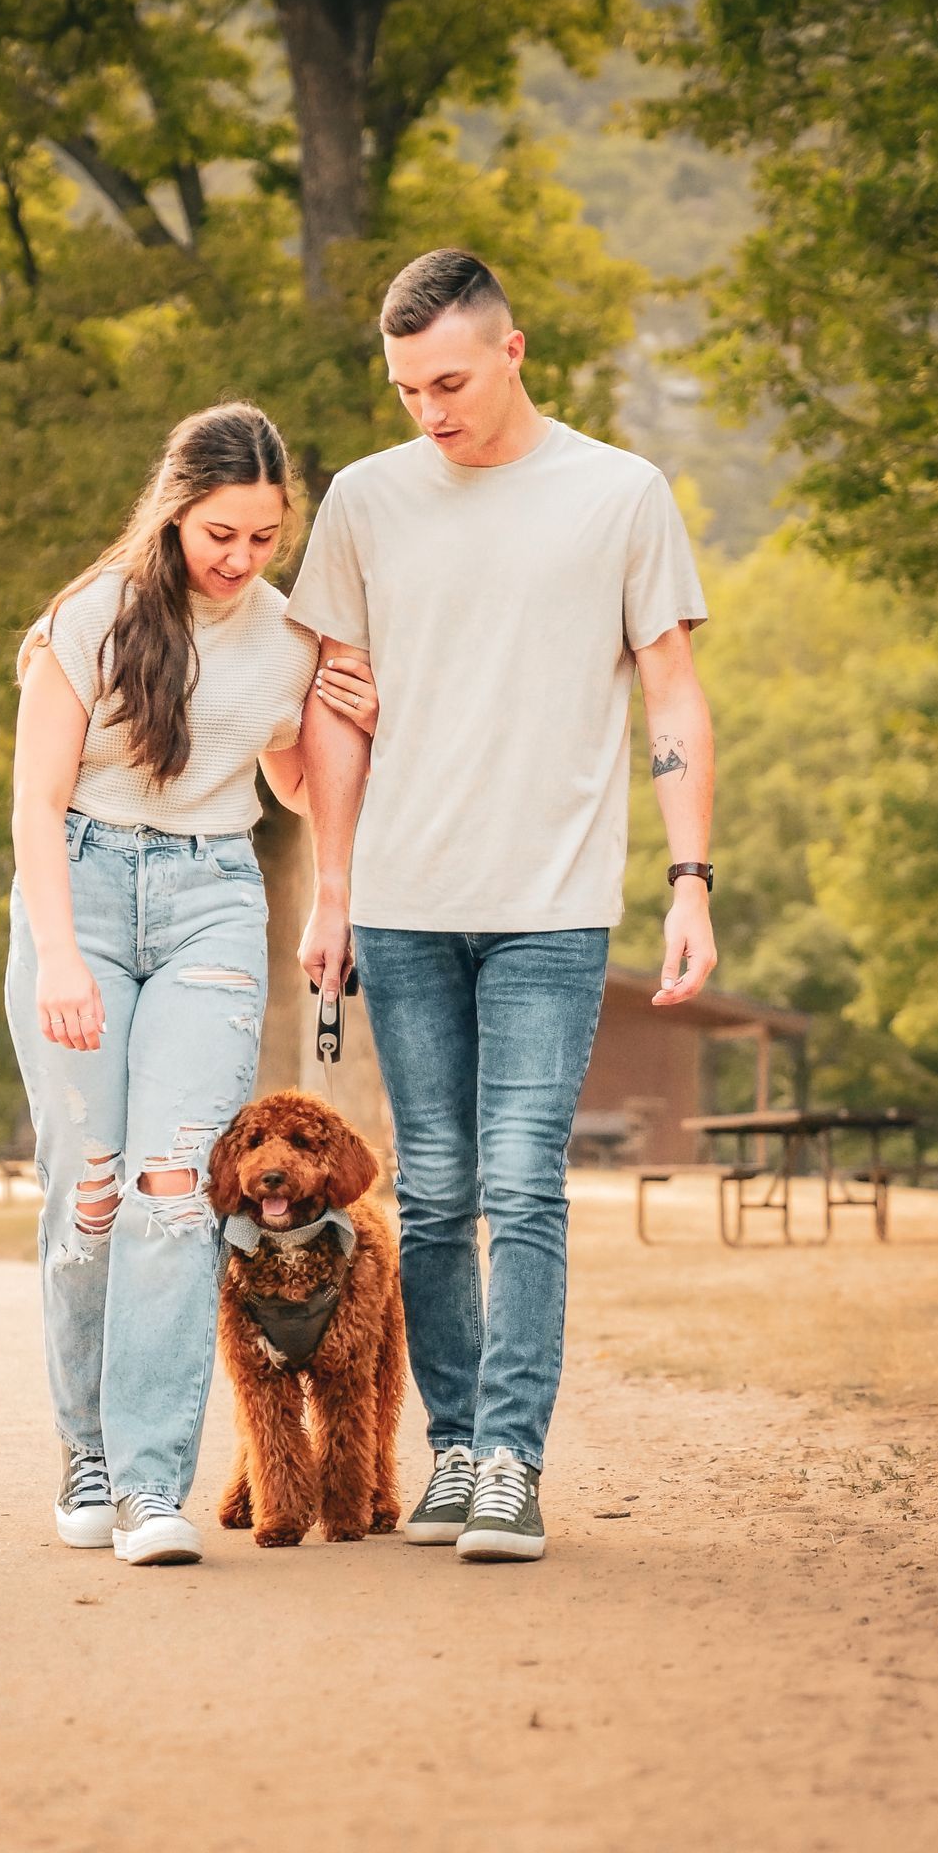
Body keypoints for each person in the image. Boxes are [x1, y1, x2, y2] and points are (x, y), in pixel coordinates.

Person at [289, 249, 717, 1562]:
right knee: (435, 1191)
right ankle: (460, 1448)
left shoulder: (619, 495)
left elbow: (675, 695)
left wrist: (689, 878)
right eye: (407, 387)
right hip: (407, 906)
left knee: (524, 1183)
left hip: (552, 905)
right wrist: (333, 888)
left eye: (451, 380)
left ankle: (517, 1465)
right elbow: (336, 711)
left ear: (514, 351)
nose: (429, 407)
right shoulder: (365, 503)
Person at [5, 401, 376, 1566]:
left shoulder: (283, 637)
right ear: (174, 513)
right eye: (222, 533)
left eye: (264, 537)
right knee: (96, 1194)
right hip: (82, 890)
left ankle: (152, 1489)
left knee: (178, 1190)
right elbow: (32, 801)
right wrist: (60, 954)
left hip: (215, 896)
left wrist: (350, 727)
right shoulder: (90, 618)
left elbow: (299, 789)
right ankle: (90, 1456)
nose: (241, 559)